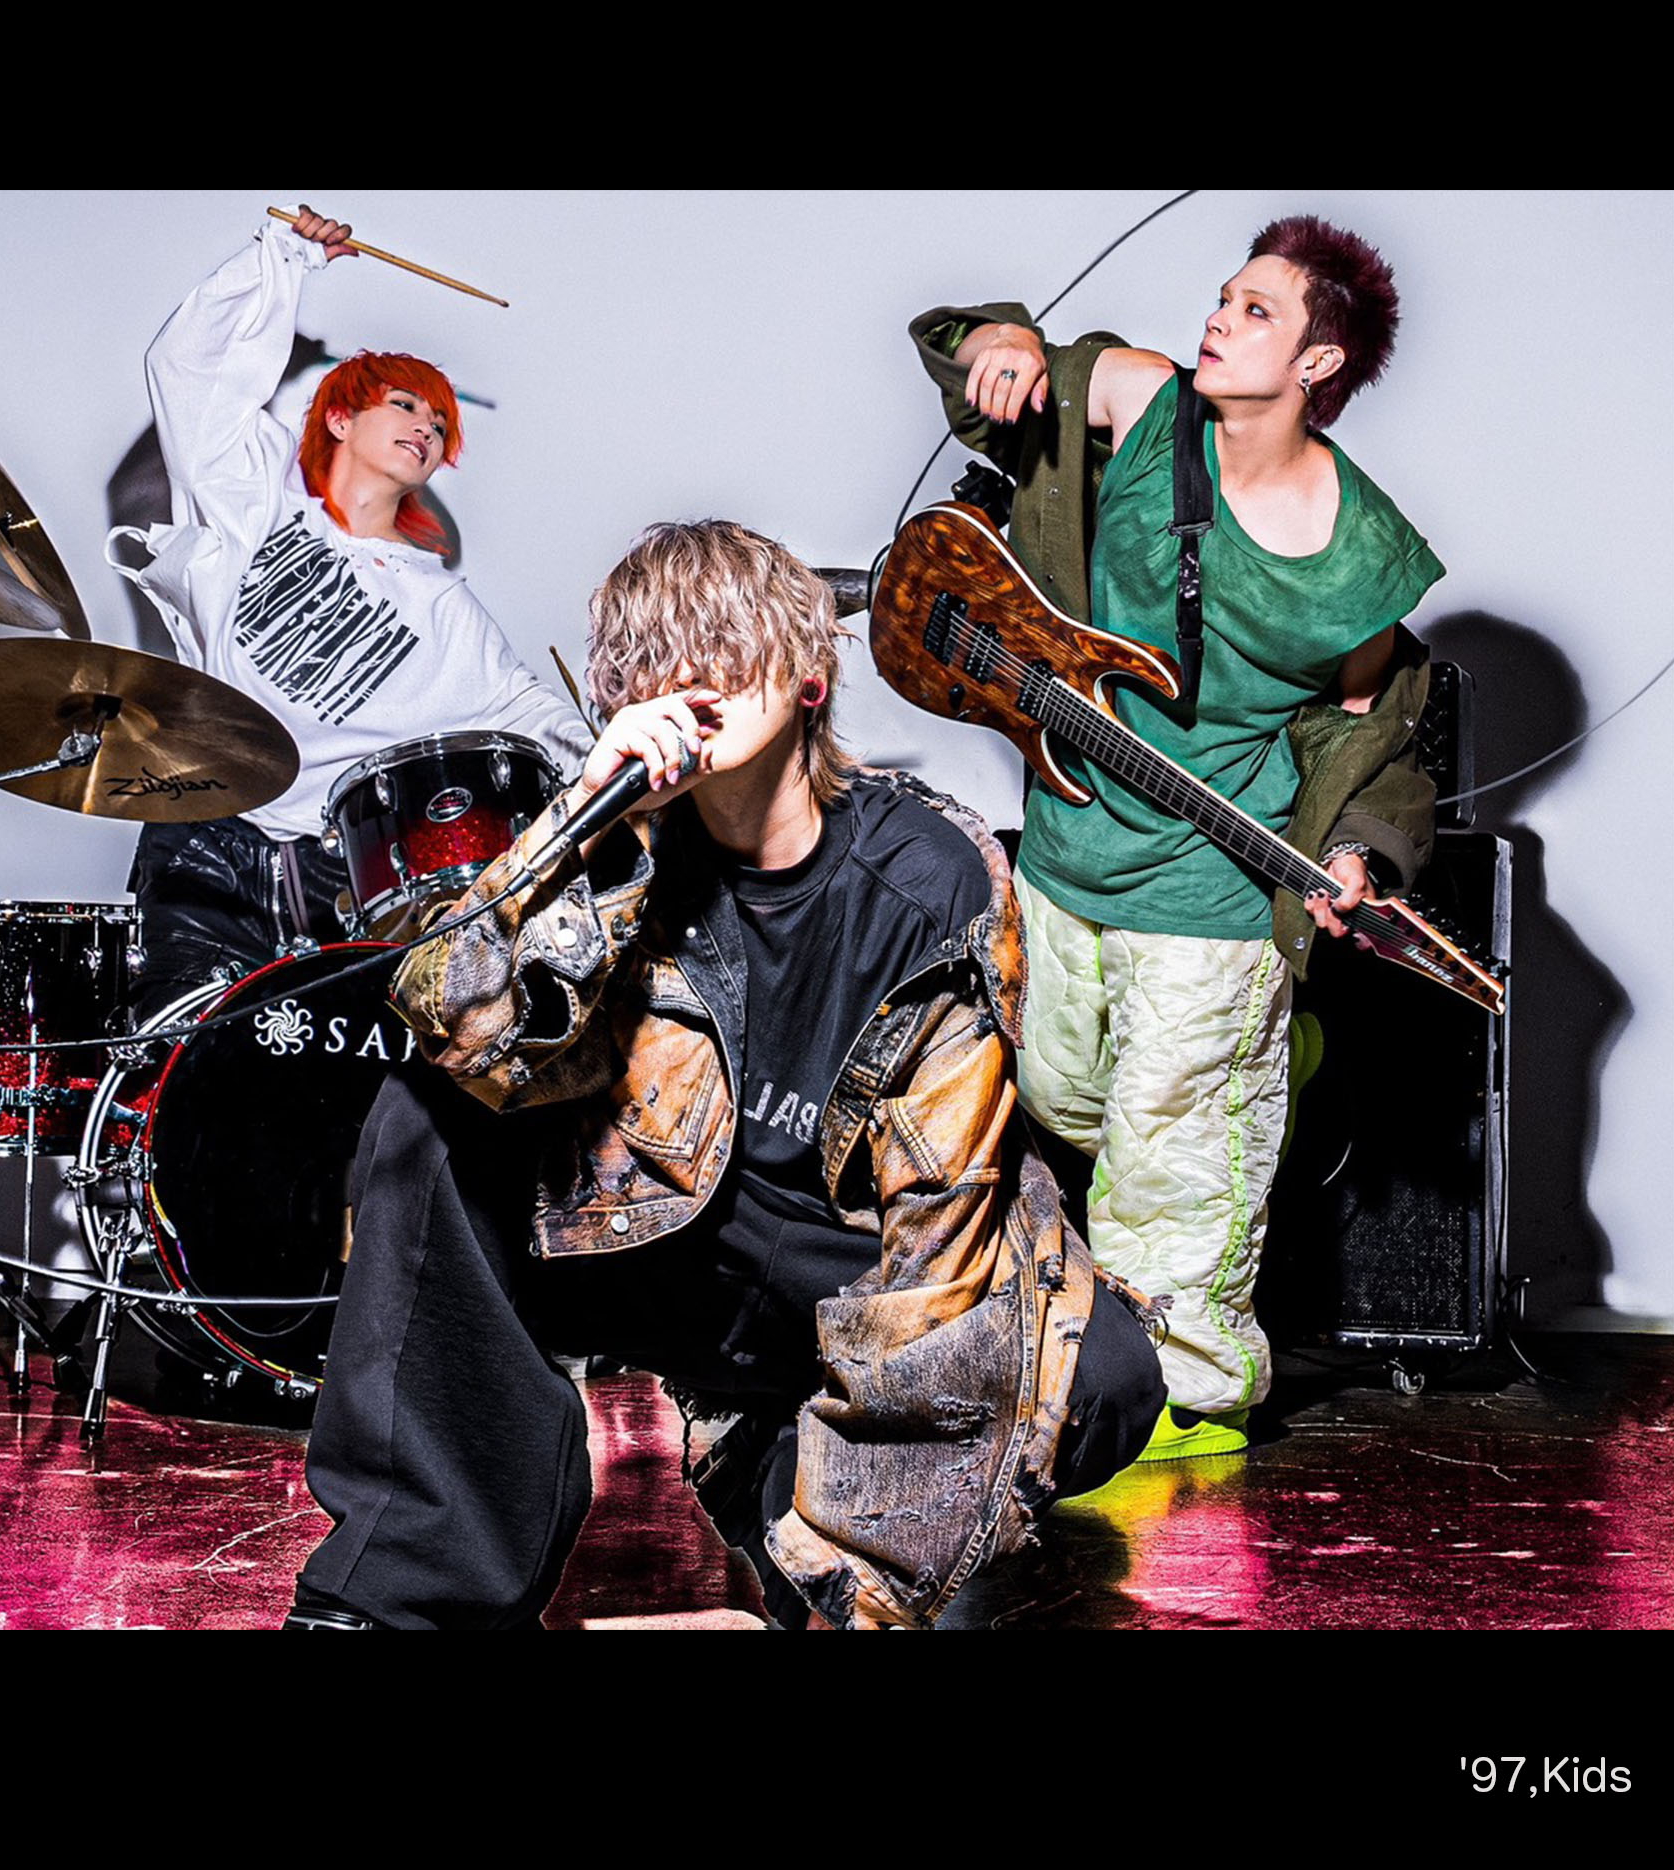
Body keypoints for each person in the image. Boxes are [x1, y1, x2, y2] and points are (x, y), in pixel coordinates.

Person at [289, 520, 1166, 1629]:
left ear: (809, 676)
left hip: (850, 1259)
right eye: (654, 656)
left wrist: (856, 1583)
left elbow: (942, 1233)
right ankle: (401, 1591)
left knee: (1104, 1373)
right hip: (673, 1233)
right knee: (428, 1110)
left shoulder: (927, 872)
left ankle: (784, 1454)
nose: (689, 673)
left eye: (724, 642)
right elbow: (450, 1017)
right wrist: (585, 823)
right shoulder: (620, 848)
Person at [910, 214, 1442, 1460]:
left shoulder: (1364, 556)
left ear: (1317, 361)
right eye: (1224, 296)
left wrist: (1354, 854)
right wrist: (997, 347)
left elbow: (1368, 734)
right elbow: (987, 358)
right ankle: (1275, 1060)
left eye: (1258, 311)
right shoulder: (1146, 403)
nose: (1219, 319)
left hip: (1218, 882)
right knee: (1060, 1096)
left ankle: (1187, 1398)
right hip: (1073, 841)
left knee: (1169, 1157)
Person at [112, 204, 590, 1013]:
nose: (426, 427)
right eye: (406, 404)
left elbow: (525, 711)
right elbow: (187, 370)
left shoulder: (437, 600)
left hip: (339, 874)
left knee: (339, 1080)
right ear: (340, 416)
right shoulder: (256, 499)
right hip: (206, 839)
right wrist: (284, 261)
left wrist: (615, 755)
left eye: (439, 424)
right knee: (179, 1063)